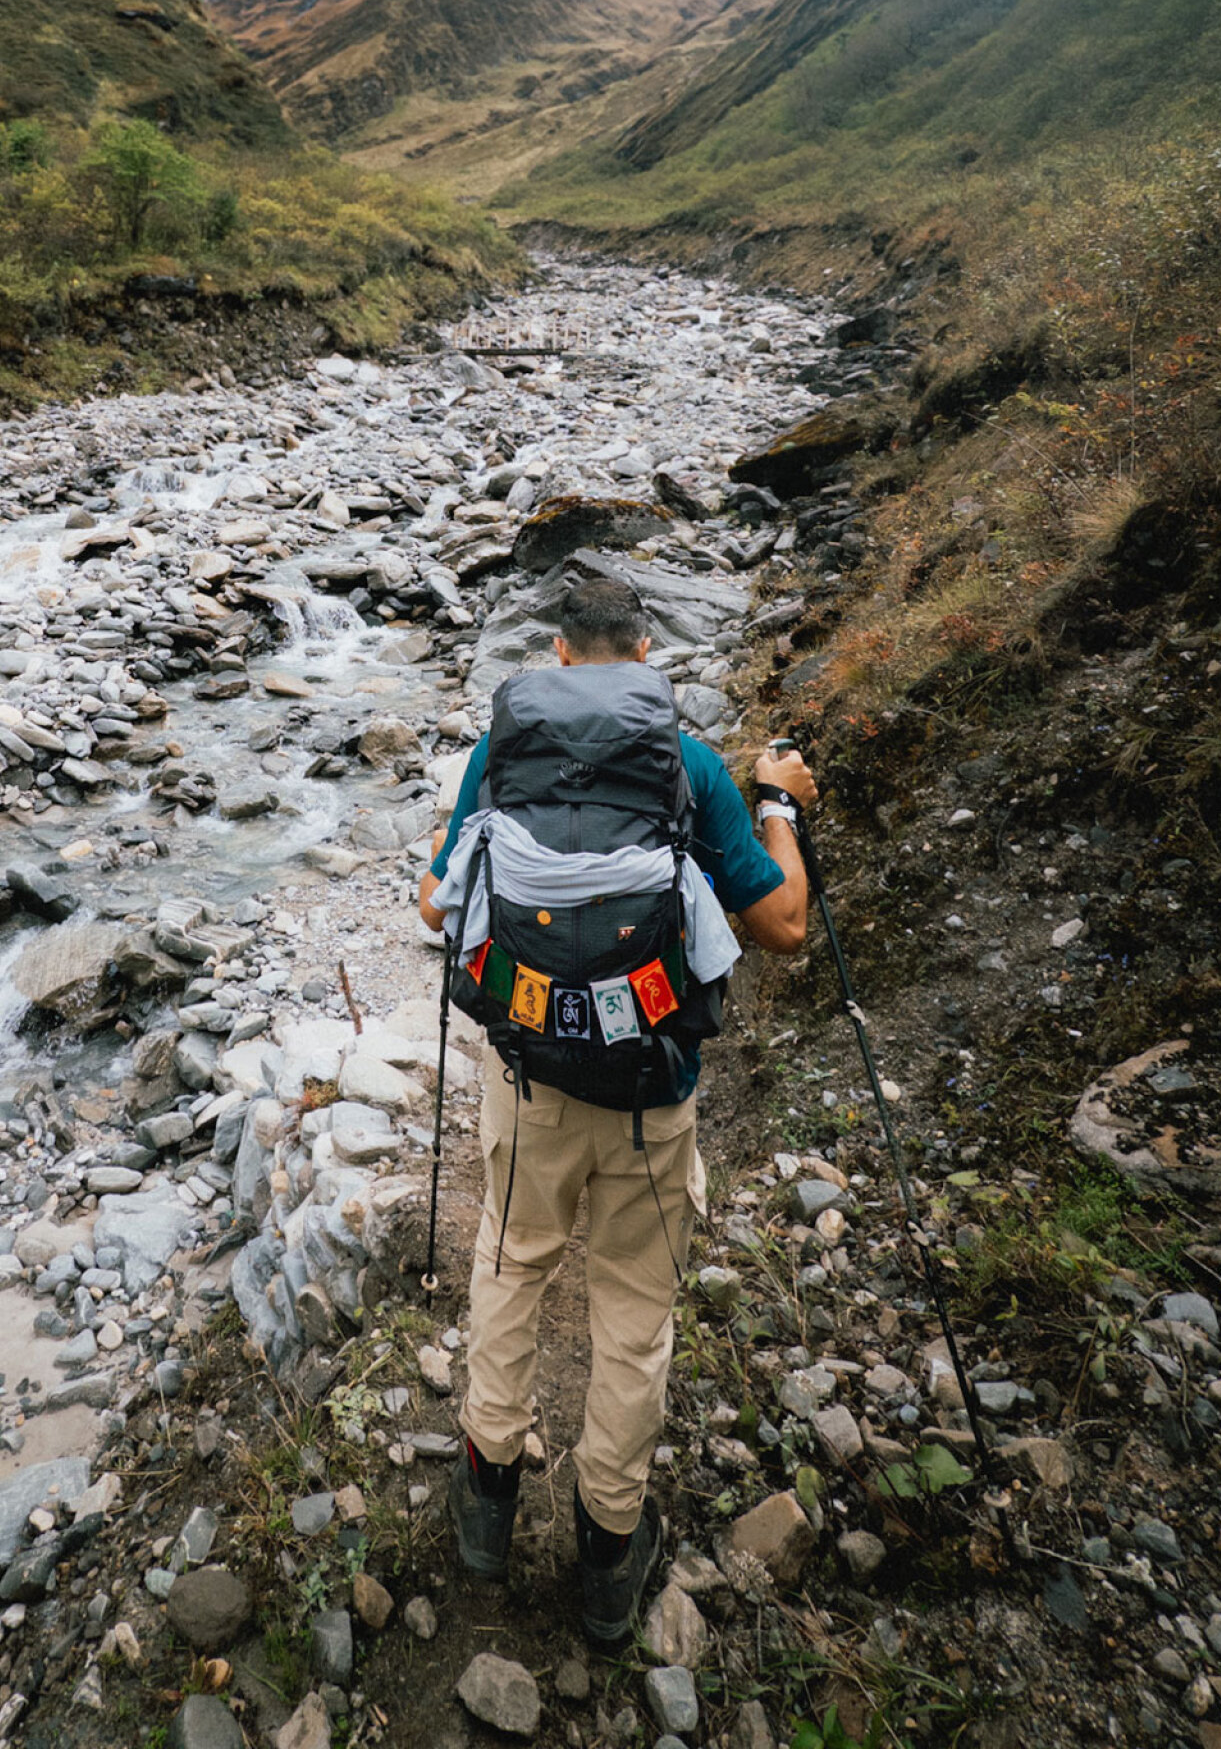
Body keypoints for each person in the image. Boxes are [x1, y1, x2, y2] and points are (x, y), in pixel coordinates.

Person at [417, 573, 817, 1641]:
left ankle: (486, 1505)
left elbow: (435, 900)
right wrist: (779, 805)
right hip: (653, 1099)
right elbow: (782, 925)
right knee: (633, 1315)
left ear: (557, 654)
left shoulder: (501, 753)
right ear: (645, 654)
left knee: (508, 1266)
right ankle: (607, 1550)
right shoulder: (688, 765)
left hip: (528, 1080)